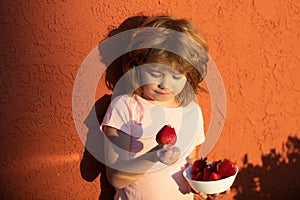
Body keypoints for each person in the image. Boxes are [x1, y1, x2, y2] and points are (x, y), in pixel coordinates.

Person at [100, 15, 213, 200]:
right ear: (138, 66)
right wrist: (153, 157)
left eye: (176, 77)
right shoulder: (125, 107)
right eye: (155, 73)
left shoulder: (191, 112)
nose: (164, 84)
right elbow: (116, 178)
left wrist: (204, 182)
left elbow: (189, 163)